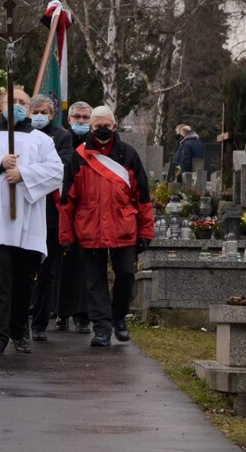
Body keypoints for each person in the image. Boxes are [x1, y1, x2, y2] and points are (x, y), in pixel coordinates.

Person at [0, 88, 64, 356]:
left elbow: (56, 171)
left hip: (28, 224)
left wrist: (24, 175)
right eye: (12, 101)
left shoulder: (42, 141)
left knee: (22, 281)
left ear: (29, 108)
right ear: (2, 105)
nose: (16, 105)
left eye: (22, 102)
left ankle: (19, 332)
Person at [60, 105, 154, 347]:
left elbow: (143, 196)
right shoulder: (79, 157)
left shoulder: (129, 155)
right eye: (97, 126)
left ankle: (119, 316)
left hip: (123, 228)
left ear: (115, 127)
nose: (102, 130)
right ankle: (102, 328)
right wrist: (66, 236)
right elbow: (67, 201)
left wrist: (146, 232)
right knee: (94, 281)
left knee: (126, 274)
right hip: (88, 228)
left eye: (107, 126)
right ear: (91, 128)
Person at [27, 94, 73, 342]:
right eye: (34, 111)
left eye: (44, 112)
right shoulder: (19, 135)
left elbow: (62, 168)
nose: (39, 116)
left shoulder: (62, 138)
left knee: (47, 273)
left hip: (50, 214)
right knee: (24, 270)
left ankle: (40, 323)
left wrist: (30, 171)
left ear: (53, 114)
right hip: (24, 212)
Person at [55, 100, 92, 334]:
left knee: (84, 266)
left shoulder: (95, 143)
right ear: (68, 120)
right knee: (61, 265)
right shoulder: (61, 140)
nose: (80, 121)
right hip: (63, 206)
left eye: (85, 118)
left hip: (87, 210)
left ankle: (82, 315)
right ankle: (61, 313)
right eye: (76, 117)